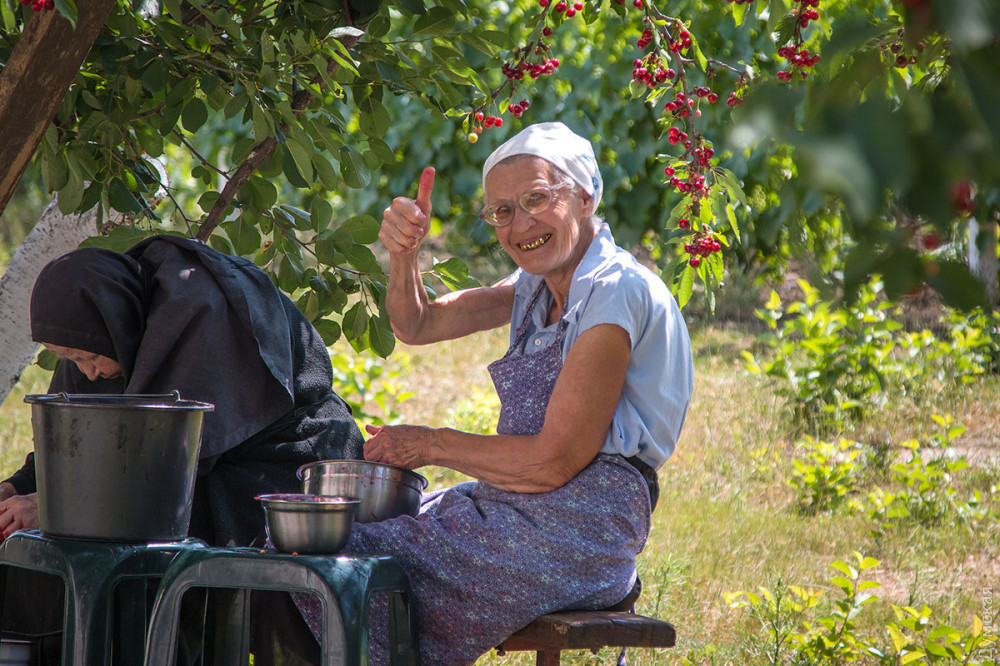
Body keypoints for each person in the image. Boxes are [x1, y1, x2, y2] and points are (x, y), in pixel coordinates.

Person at [295, 121, 695, 664]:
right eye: (502, 211)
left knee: (353, 556)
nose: (519, 224)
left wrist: (429, 445)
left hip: (587, 522)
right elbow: (417, 324)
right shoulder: (533, 286)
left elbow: (553, 463)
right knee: (341, 531)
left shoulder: (614, 292)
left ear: (584, 195)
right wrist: (405, 255)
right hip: (521, 504)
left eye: (536, 199)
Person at [0, 235, 365, 665]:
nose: (87, 374)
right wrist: (15, 487)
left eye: (85, 356)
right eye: (70, 360)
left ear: (115, 323)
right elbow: (77, 443)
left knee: (145, 546)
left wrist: (57, 505)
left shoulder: (195, 315)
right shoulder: (104, 333)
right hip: (175, 471)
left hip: (279, 465)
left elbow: (167, 469)